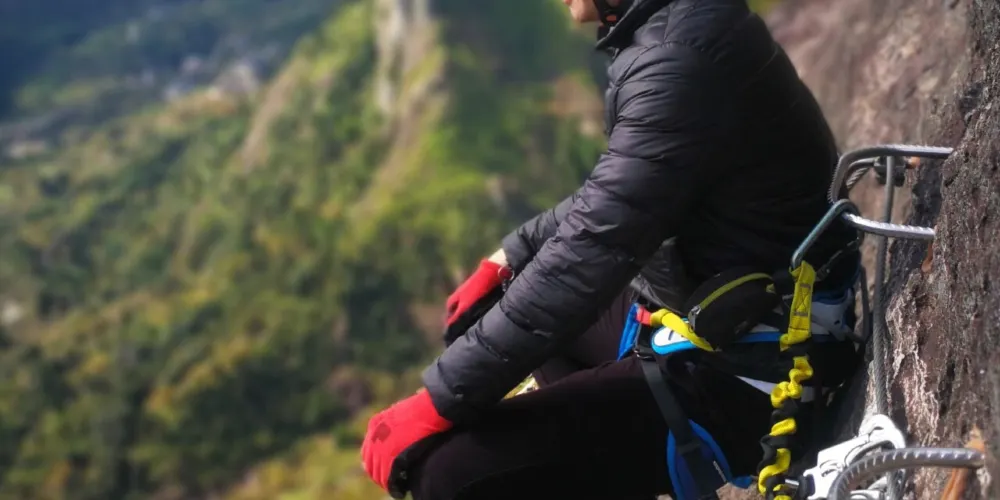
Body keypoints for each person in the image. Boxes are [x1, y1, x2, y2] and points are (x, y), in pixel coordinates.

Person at [360, 0, 866, 499]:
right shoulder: (678, 30)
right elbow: (616, 194)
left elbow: (596, 241)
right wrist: (511, 255)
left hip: (758, 368)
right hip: (721, 312)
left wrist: (437, 401)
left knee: (447, 476)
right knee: (500, 305)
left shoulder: (677, 58)